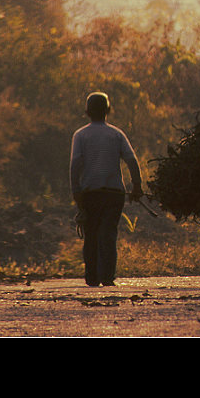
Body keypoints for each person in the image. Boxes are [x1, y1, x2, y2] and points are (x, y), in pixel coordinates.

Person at [69, 92, 143, 287]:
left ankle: (92, 278)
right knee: (108, 234)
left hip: (90, 193)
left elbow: (75, 163)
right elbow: (132, 160)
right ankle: (108, 278)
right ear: (109, 111)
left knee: (91, 234)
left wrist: (76, 189)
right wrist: (137, 186)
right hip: (114, 194)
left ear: (87, 112)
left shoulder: (80, 135)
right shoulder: (117, 134)